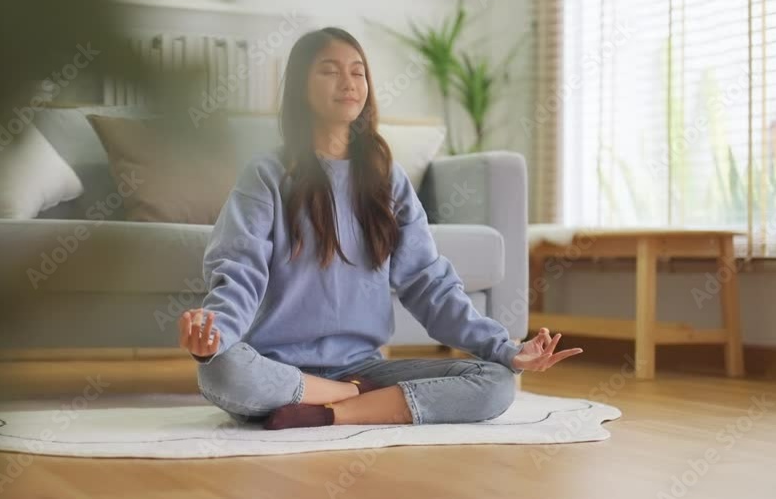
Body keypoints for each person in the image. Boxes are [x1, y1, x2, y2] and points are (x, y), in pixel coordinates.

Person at [177, 27, 582, 430]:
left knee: (496, 383)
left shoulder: (388, 180)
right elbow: (240, 269)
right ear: (301, 86)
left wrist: (503, 349)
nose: (348, 83)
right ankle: (350, 397)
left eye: (358, 71)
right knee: (222, 372)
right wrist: (216, 336)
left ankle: (328, 412)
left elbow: (428, 283)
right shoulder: (266, 174)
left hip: (363, 367)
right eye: (330, 71)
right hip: (279, 368)